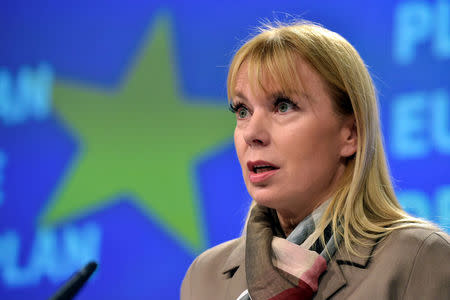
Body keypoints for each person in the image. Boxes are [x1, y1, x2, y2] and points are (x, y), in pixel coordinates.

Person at [180, 21, 450, 300]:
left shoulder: (420, 260)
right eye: (243, 110)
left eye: (283, 106)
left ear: (351, 134)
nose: (252, 134)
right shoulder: (205, 277)